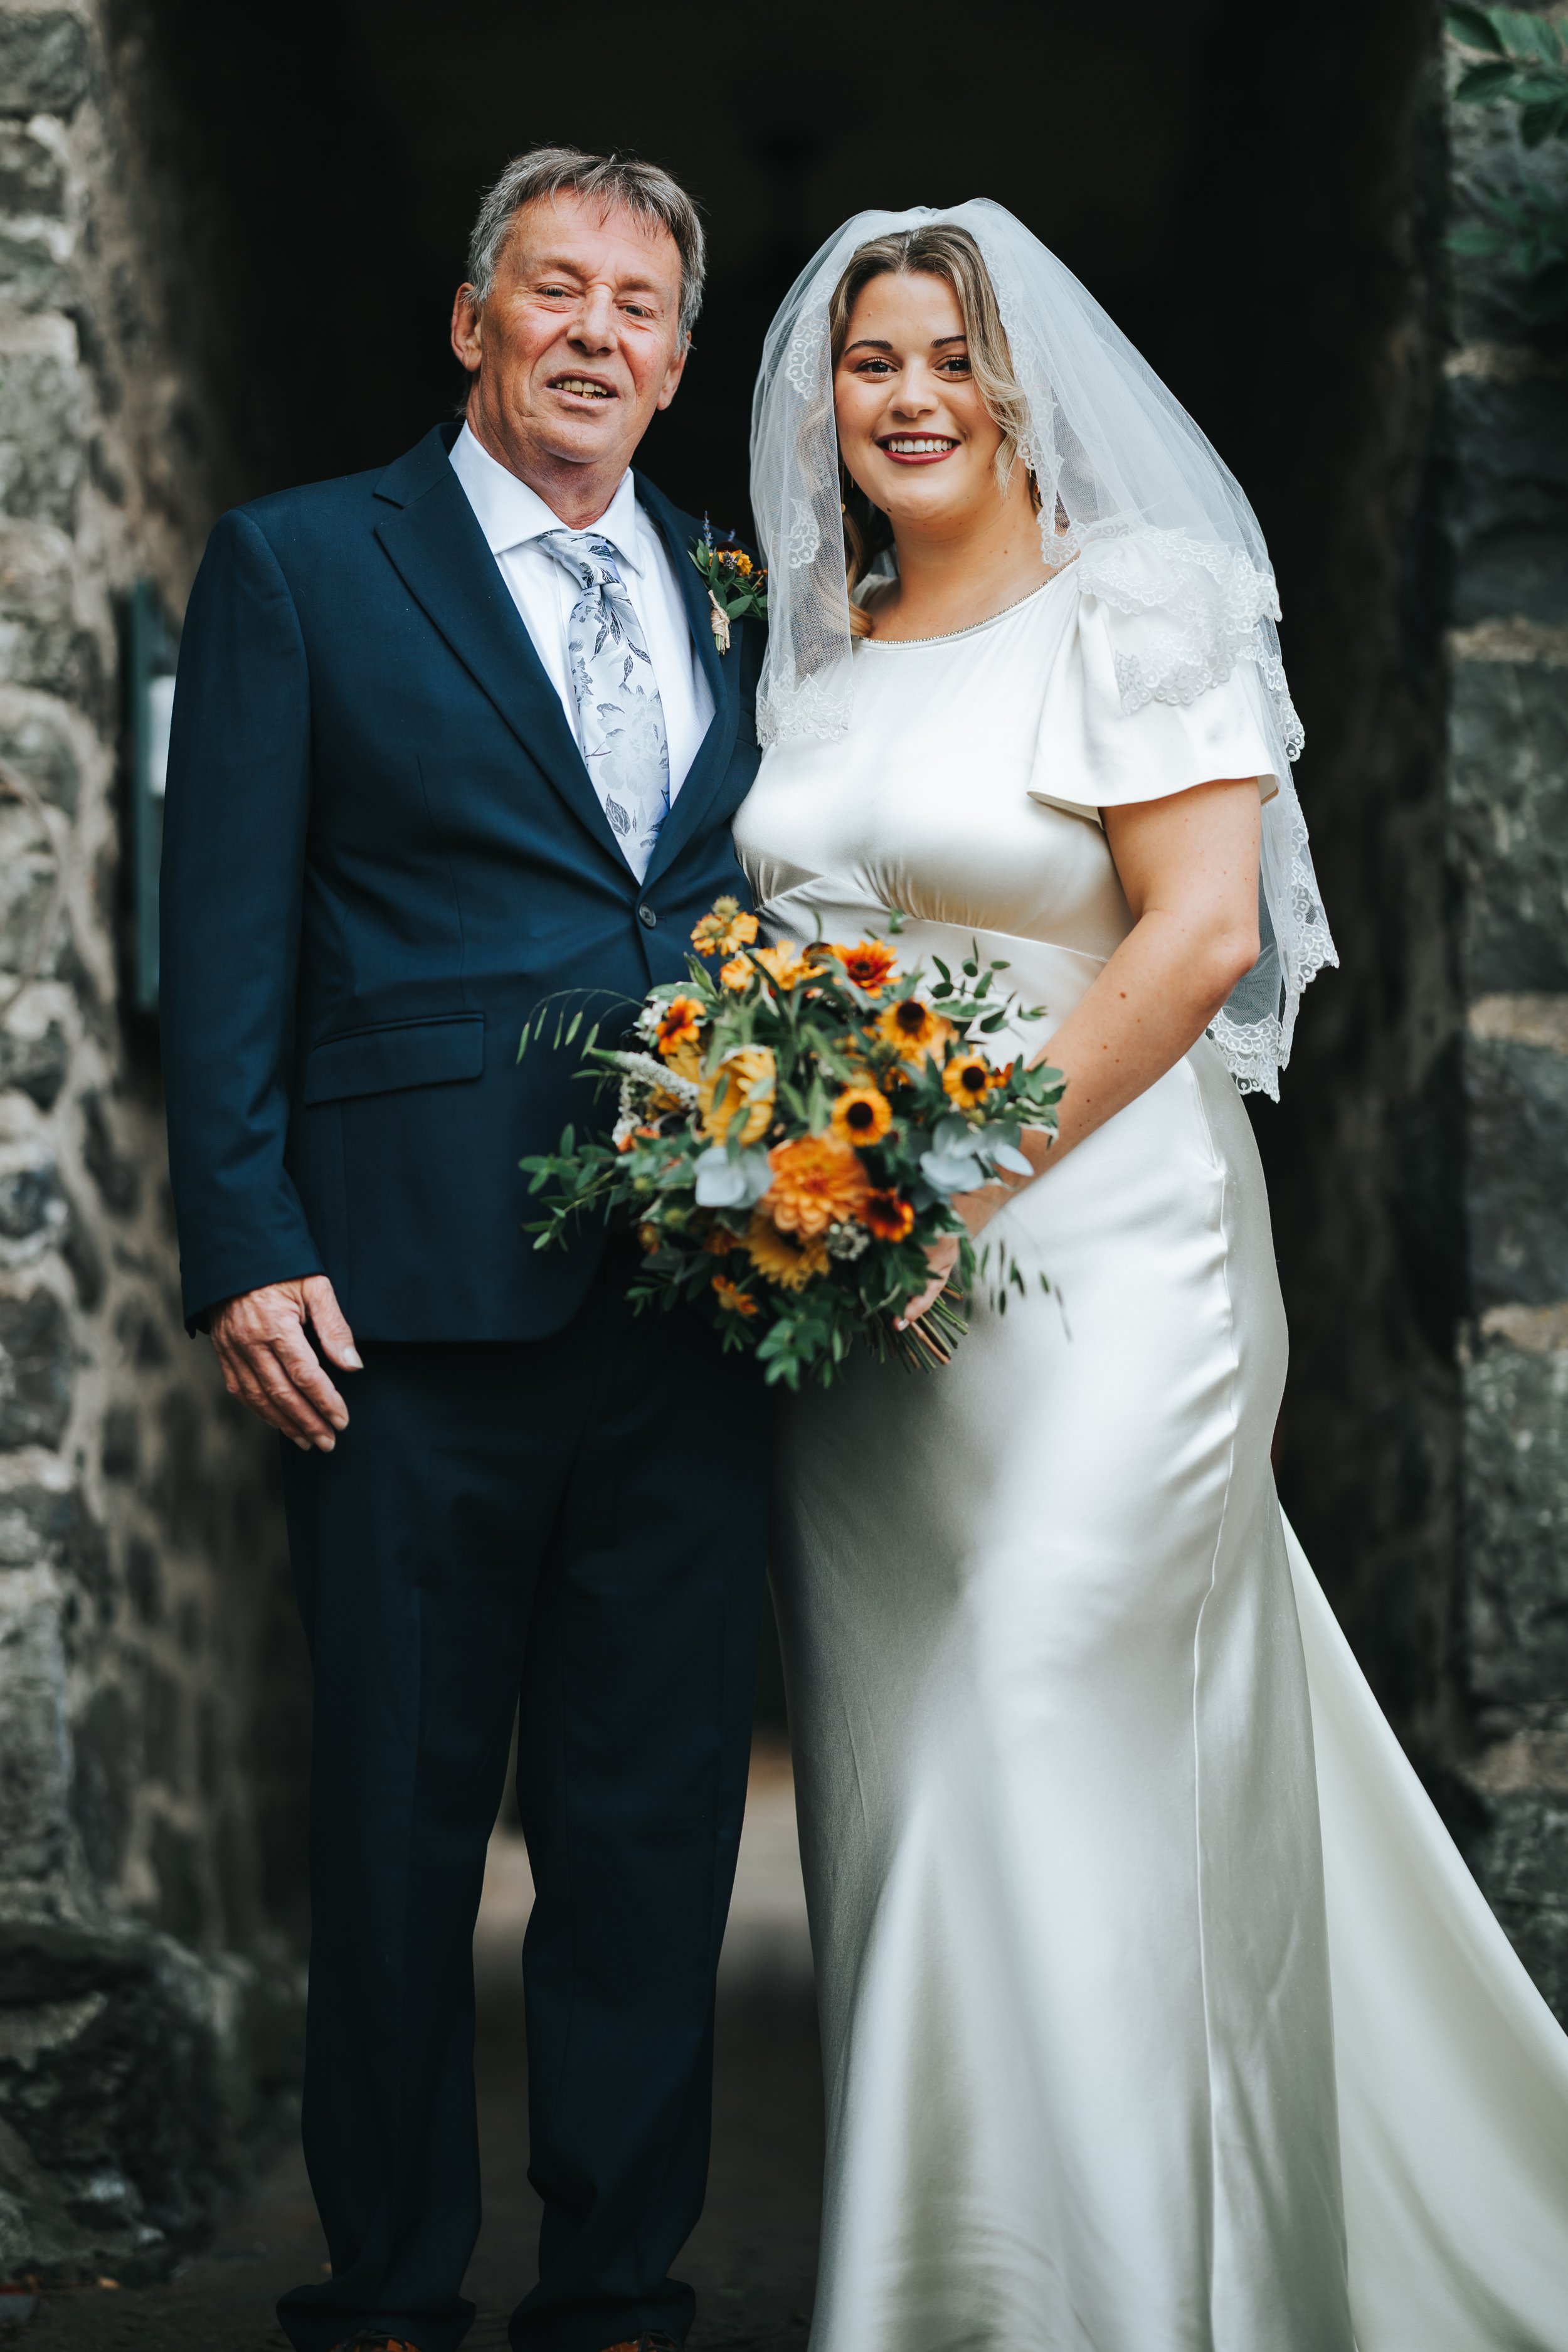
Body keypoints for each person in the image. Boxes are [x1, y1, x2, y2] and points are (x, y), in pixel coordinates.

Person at [737, 201, 1568, 2350]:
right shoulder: (822, 655)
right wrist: (782, 1174)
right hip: (878, 1316)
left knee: (1035, 1693)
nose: (908, 397)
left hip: (1103, 1248)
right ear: (823, 403)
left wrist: (947, 1183)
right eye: (869, 362)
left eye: (950, 356)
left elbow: (1194, 934)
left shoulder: (1147, 601)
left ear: (1023, 386)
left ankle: (1119, 2298)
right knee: (922, 1777)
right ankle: (953, 2290)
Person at [160, 148, 770, 2352]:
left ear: (681, 360)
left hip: (703, 1297)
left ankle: (617, 2280)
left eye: (636, 305)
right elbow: (218, 936)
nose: (594, 332)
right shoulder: (307, 565)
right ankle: (387, 2280)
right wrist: (244, 1238)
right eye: (554, 290)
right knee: (403, 1827)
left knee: (649, 1827)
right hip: (398, 1300)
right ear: (469, 321)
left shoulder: (745, 584)